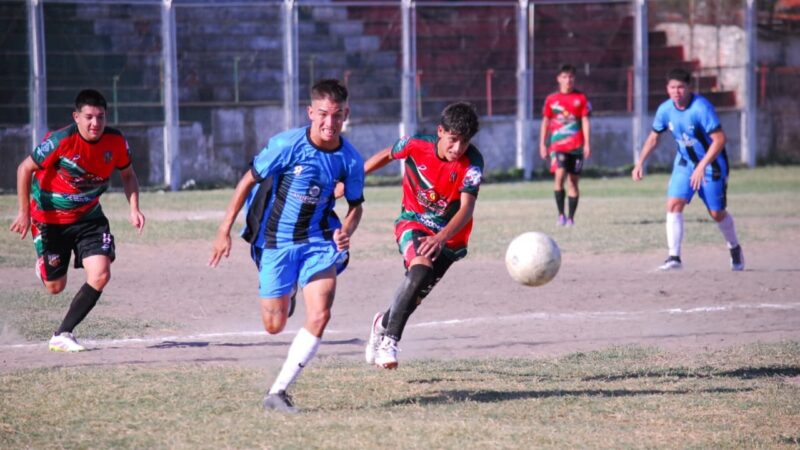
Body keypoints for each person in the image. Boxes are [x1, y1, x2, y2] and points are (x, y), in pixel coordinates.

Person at [208, 79, 364, 413]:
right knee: (274, 326)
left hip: (319, 241)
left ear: (346, 115)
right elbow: (249, 179)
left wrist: (346, 229)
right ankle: (288, 289)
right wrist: (224, 229)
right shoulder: (286, 145)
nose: (329, 123)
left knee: (321, 314)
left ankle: (277, 392)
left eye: (337, 116)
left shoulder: (350, 160)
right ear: (310, 112)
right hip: (275, 242)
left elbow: (355, 206)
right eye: (322, 114)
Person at [9, 89, 146, 352]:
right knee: (55, 287)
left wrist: (134, 208)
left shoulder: (115, 141)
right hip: (51, 220)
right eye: (89, 117)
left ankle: (63, 333)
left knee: (101, 274)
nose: (95, 123)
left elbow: (128, 175)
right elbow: (24, 168)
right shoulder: (60, 141)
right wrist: (24, 212)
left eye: (101, 117)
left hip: (89, 218)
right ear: (77, 117)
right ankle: (45, 266)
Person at [363, 102, 483, 369]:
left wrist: (440, 238)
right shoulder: (416, 145)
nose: (457, 149)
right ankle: (389, 343)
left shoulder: (472, 162)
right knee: (420, 270)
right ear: (441, 131)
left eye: (464, 143)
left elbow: (466, 209)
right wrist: (355, 177)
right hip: (413, 222)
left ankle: (381, 324)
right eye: (453, 140)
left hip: (450, 239)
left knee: (414, 297)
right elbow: (387, 154)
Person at [632, 68, 744, 271]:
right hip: (685, 163)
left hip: (712, 165)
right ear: (667, 89)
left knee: (716, 213)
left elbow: (720, 140)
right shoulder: (665, 109)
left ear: (689, 87)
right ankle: (674, 257)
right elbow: (654, 137)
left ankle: (734, 246)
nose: (677, 91)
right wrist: (640, 163)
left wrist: (702, 165)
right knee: (674, 204)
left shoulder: (701, 108)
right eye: (673, 87)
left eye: (681, 87)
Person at [539, 63, 592, 226]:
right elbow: (546, 121)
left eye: (570, 77)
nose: (568, 80)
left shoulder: (581, 98)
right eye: (564, 77)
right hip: (558, 146)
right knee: (560, 176)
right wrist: (542, 143)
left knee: (573, 182)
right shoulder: (551, 100)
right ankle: (561, 214)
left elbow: (585, 120)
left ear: (574, 79)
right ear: (558, 79)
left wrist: (587, 144)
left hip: (576, 146)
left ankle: (571, 218)